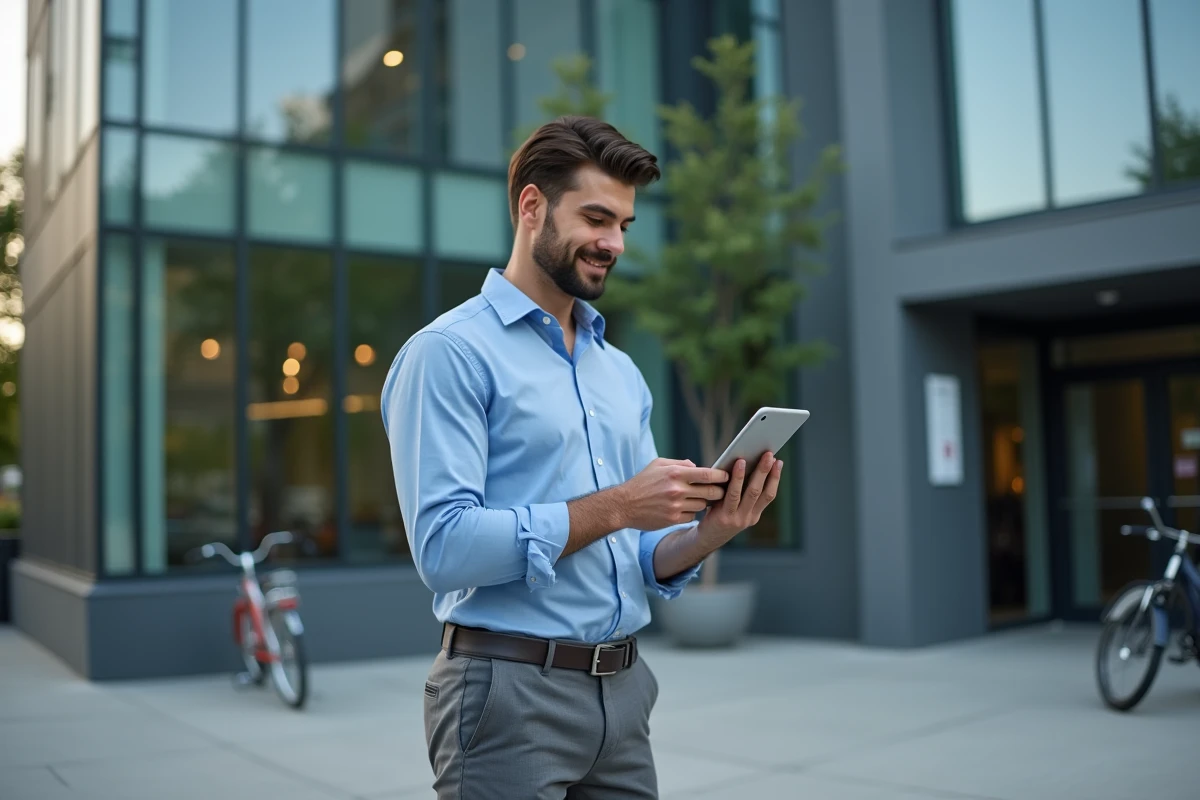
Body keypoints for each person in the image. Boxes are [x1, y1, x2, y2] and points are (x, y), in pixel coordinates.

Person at [381, 116, 785, 799]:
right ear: (531, 207)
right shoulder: (448, 354)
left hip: (624, 695)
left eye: (624, 224)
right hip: (507, 693)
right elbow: (443, 548)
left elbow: (641, 552)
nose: (614, 243)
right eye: (597, 218)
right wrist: (621, 504)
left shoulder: (619, 372)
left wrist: (709, 533)